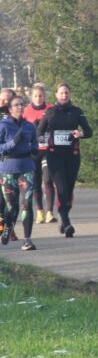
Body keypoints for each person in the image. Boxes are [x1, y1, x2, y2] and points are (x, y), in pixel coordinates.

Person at [37, 83, 92, 238]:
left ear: (70, 94)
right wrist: (40, 137)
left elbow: (89, 132)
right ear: (56, 95)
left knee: (68, 190)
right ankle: (67, 223)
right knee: (61, 188)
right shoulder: (50, 112)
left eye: (66, 93)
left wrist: (79, 134)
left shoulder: (76, 112)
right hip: (54, 155)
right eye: (61, 93)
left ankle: (63, 218)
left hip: (72, 155)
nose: (64, 95)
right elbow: (39, 130)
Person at [0, 95, 38, 250]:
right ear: (10, 109)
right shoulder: (3, 125)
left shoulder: (29, 126)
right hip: (8, 169)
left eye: (22, 104)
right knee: (11, 206)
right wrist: (14, 142)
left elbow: (35, 143)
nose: (20, 107)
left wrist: (32, 148)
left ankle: (27, 239)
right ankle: (8, 227)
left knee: (27, 204)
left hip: (27, 168)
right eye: (16, 105)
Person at [23, 83, 56, 224]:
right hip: (34, 151)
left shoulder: (51, 109)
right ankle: (39, 211)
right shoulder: (26, 111)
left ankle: (50, 212)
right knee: (36, 182)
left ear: (45, 96)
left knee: (48, 180)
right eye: (35, 96)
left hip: (48, 150)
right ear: (31, 97)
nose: (38, 98)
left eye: (41, 96)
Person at [0, 88, 16, 238]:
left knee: (9, 200)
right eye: (2, 99)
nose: (3, 103)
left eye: (7, 100)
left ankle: (9, 228)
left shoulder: (16, 120)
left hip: (9, 164)